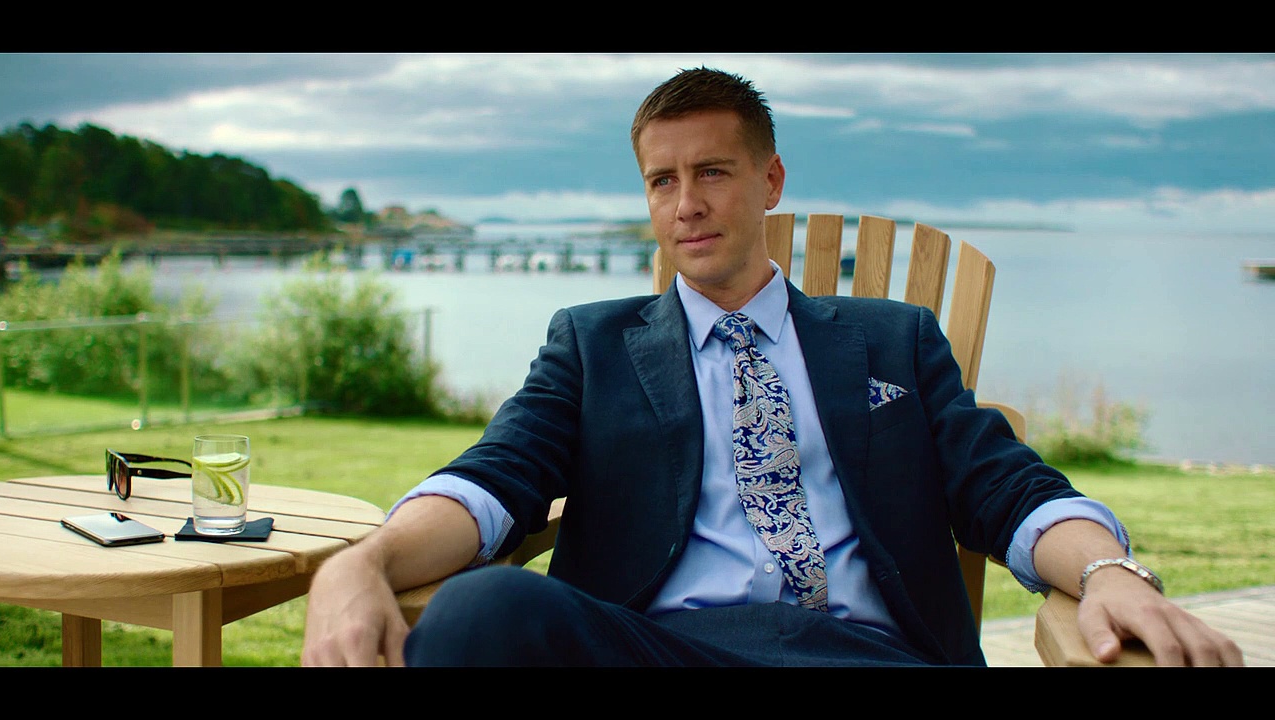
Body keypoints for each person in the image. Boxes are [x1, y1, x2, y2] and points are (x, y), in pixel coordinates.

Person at [301, 67, 1244, 667]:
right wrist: (364, 562)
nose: (687, 204)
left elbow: (1007, 488)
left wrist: (1112, 571)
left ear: (770, 181)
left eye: (712, 171)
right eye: (663, 181)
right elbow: (492, 478)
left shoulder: (893, 340)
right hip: (658, 647)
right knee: (480, 610)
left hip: (862, 652)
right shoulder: (593, 346)